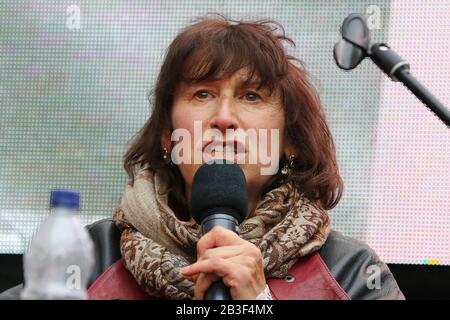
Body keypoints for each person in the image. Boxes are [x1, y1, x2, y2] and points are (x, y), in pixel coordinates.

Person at [0, 16, 405, 300]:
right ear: (166, 136)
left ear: (290, 143)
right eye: (203, 94)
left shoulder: (350, 272)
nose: (224, 118)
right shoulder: (89, 256)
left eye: (251, 96)